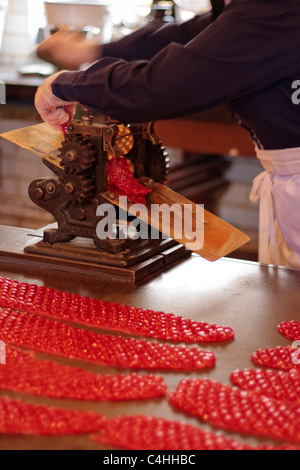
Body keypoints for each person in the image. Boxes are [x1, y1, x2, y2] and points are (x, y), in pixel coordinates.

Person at [34, 0, 300, 269]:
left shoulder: (274, 7)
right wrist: (91, 51)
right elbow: (189, 34)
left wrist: (66, 85)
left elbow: (161, 87)